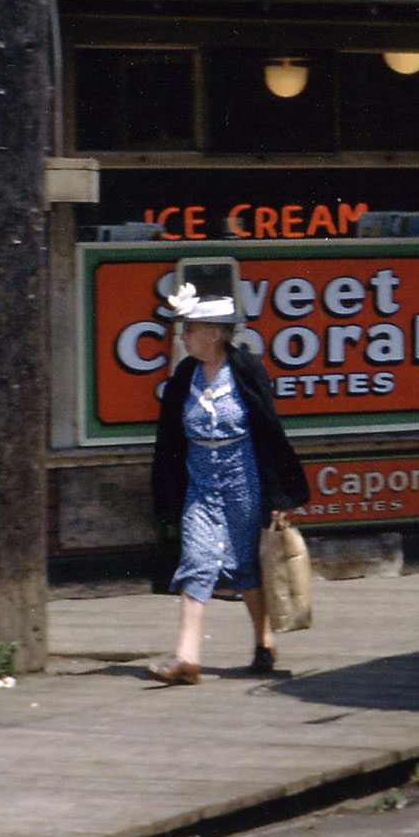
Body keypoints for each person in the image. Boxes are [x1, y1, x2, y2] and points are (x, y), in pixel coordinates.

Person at [146, 284, 308, 684]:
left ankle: (264, 641)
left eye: (189, 329)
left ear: (214, 333)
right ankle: (187, 659)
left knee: (246, 566)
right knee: (197, 561)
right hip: (200, 483)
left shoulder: (247, 369)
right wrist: (167, 492)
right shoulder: (184, 375)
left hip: (244, 479)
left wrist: (276, 494)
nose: (182, 337)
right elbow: (169, 439)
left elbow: (269, 432)